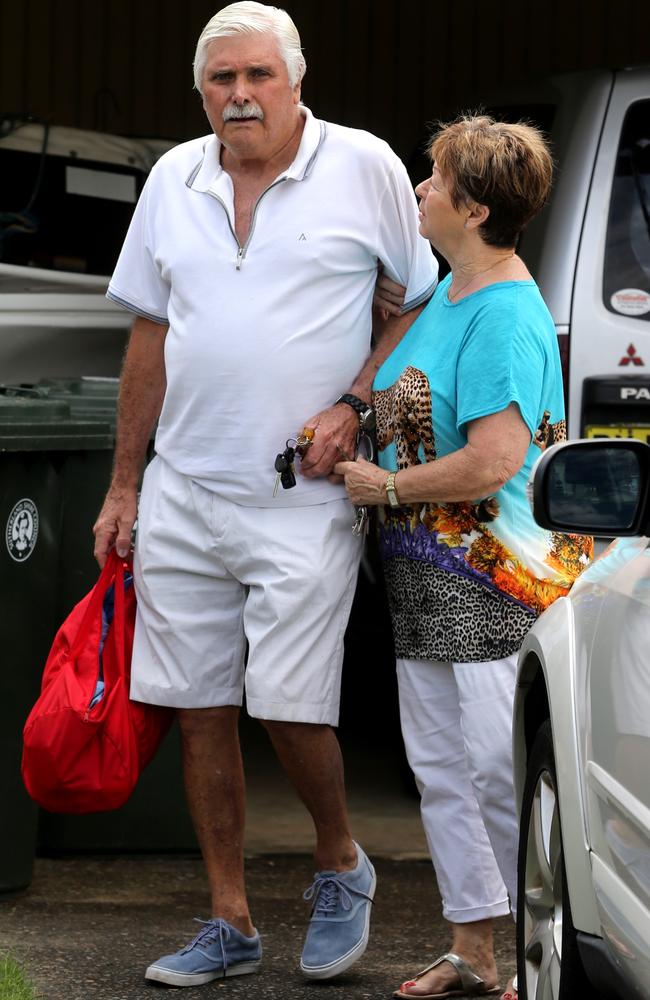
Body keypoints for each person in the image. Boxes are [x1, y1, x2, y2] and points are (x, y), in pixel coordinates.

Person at [92, 1, 437, 988]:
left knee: (288, 705)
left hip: (301, 494)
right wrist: (125, 485)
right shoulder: (173, 177)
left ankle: (338, 861)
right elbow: (148, 336)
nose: (238, 96)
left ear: (294, 81)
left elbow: (419, 296)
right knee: (199, 706)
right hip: (185, 489)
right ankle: (229, 919)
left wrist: (354, 402)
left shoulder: (361, 163)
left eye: (257, 77)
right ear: (201, 91)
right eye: (219, 80)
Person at [335, 115, 593, 1000]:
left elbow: (495, 457)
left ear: (474, 208)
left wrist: (387, 490)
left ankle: (530, 957)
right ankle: (473, 953)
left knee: (497, 778)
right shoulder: (449, 294)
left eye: (433, 180)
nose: (418, 191)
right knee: (444, 772)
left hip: (494, 583)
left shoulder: (507, 313)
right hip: (427, 584)